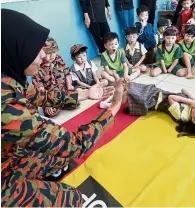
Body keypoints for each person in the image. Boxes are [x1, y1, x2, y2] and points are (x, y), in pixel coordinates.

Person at [1, 9, 124, 207]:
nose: (44, 56)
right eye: (35, 49)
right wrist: (114, 106)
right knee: (71, 198)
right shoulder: (5, 107)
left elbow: (44, 96)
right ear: (15, 49)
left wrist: (86, 93)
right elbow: (75, 144)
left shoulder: (8, 77)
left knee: (58, 159)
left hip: (9, 155)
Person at [102, 81, 195, 137]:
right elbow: (184, 89)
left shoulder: (182, 115)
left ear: (194, 119)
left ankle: (112, 105)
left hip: (153, 100)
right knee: (128, 87)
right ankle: (114, 100)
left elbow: (171, 98)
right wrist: (194, 99)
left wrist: (190, 101)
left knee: (127, 93)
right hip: (157, 92)